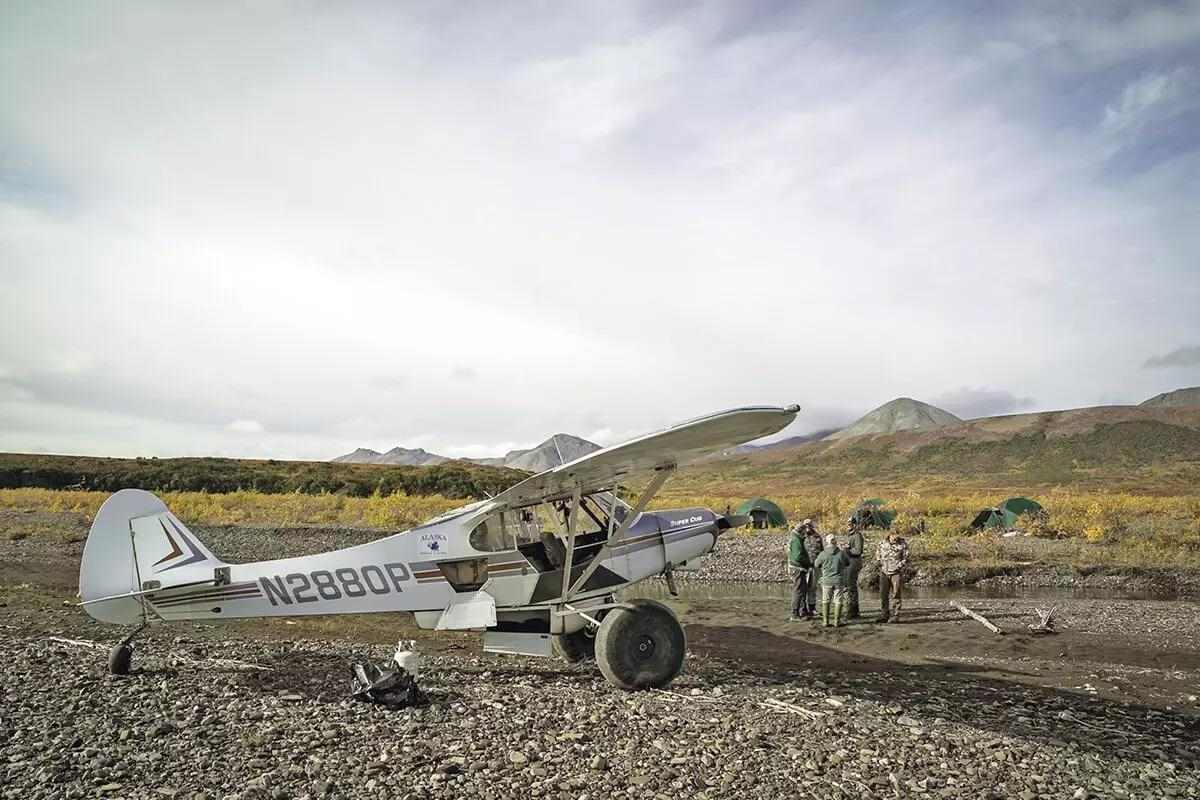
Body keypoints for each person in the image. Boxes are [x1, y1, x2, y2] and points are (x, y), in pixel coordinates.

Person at [813, 534, 850, 628]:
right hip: (839, 580)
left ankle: (825, 621)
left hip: (826, 580)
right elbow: (847, 563)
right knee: (838, 600)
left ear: (827, 542)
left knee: (826, 600)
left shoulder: (823, 553)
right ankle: (837, 622)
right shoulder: (841, 553)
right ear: (835, 542)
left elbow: (816, 564)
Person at [876, 530, 909, 623]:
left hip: (896, 572)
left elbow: (906, 557)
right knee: (883, 594)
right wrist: (879, 562)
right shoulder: (882, 543)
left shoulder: (903, 543)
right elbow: (878, 553)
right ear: (890, 534)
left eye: (897, 535)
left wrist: (899, 566)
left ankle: (896, 615)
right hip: (884, 572)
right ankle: (884, 614)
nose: (896, 537)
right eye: (894, 535)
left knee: (896, 594)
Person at [786, 524, 813, 620]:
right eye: (804, 532)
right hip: (797, 569)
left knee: (803, 589)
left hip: (797, 568)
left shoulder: (795, 538)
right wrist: (808, 563)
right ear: (801, 531)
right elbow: (798, 556)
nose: (806, 534)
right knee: (798, 591)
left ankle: (802, 611)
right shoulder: (796, 540)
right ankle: (794, 614)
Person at [843, 518, 865, 619]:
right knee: (850, 587)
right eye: (848, 524)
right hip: (849, 563)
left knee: (850, 587)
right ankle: (854, 610)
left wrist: (848, 550)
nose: (849, 525)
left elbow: (858, 551)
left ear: (855, 525)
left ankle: (851, 611)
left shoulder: (857, 535)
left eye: (851, 524)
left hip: (854, 563)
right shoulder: (849, 535)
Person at [801, 520, 823, 612]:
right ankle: (803, 608)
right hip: (804, 567)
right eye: (806, 525)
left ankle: (812, 607)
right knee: (803, 588)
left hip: (815, 566)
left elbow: (822, 551)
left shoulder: (817, 536)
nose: (808, 527)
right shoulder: (801, 536)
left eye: (809, 525)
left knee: (813, 588)